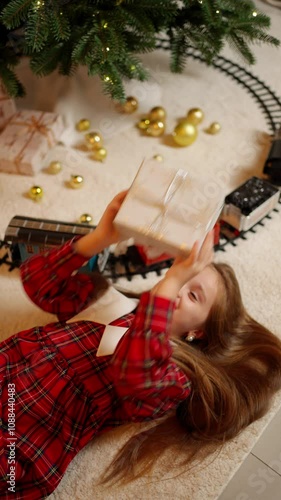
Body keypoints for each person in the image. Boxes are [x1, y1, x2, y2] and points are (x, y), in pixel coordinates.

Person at [0, 191, 281, 499]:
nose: (176, 285)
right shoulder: (112, 301)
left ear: (198, 332)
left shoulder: (173, 375)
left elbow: (135, 369)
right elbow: (38, 281)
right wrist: (100, 237)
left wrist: (170, 284)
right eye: (180, 276)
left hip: (22, 433)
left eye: (192, 294)